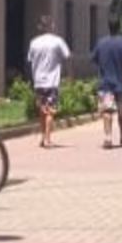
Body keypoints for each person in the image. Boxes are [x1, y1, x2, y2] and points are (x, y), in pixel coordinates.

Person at [91, 16, 122, 149]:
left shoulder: (101, 43)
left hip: (105, 82)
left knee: (107, 110)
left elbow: (94, 59)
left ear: (108, 27)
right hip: (120, 82)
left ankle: (108, 138)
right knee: (121, 108)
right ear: (119, 27)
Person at [26, 16, 71, 148]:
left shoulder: (34, 42)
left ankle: (42, 136)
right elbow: (68, 57)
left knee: (42, 111)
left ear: (40, 27)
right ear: (51, 26)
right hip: (52, 81)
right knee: (50, 111)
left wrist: (31, 78)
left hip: (38, 81)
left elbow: (30, 61)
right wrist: (69, 74)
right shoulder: (58, 41)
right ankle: (47, 139)